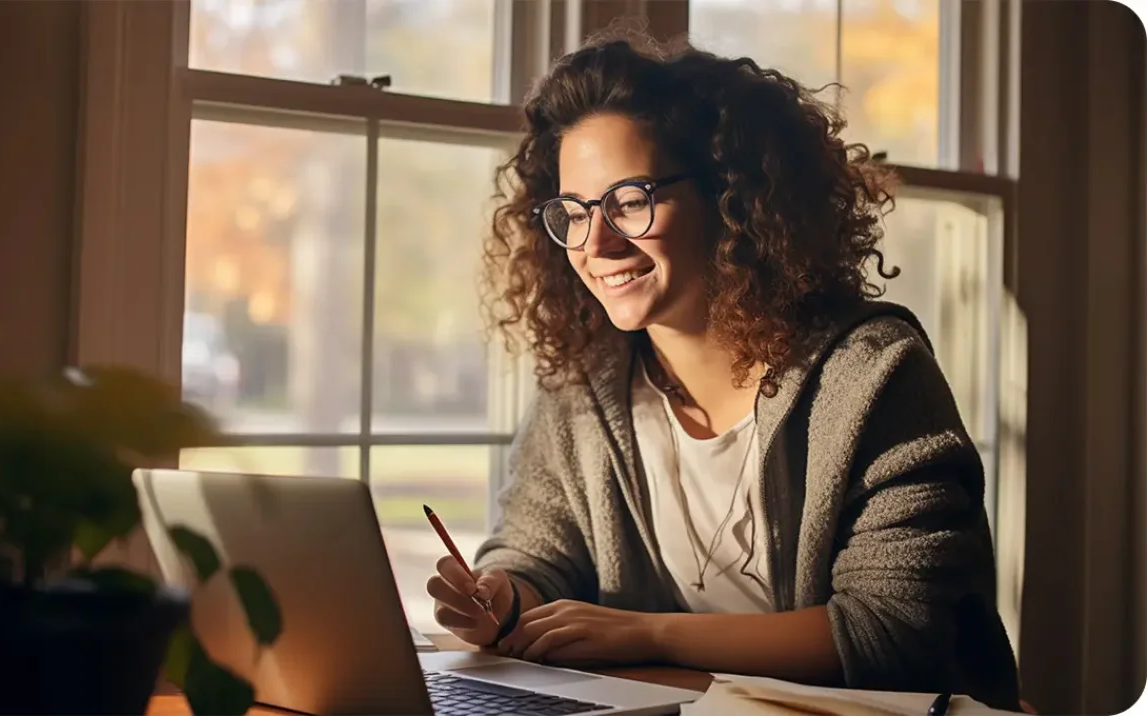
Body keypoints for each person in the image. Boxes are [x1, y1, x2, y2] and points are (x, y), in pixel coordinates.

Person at [425, 29, 1021, 711]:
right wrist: (503, 599)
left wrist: (650, 634)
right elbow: (537, 557)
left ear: (731, 199)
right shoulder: (584, 386)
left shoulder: (873, 376)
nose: (597, 242)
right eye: (575, 211)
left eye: (629, 199)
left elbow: (893, 631)